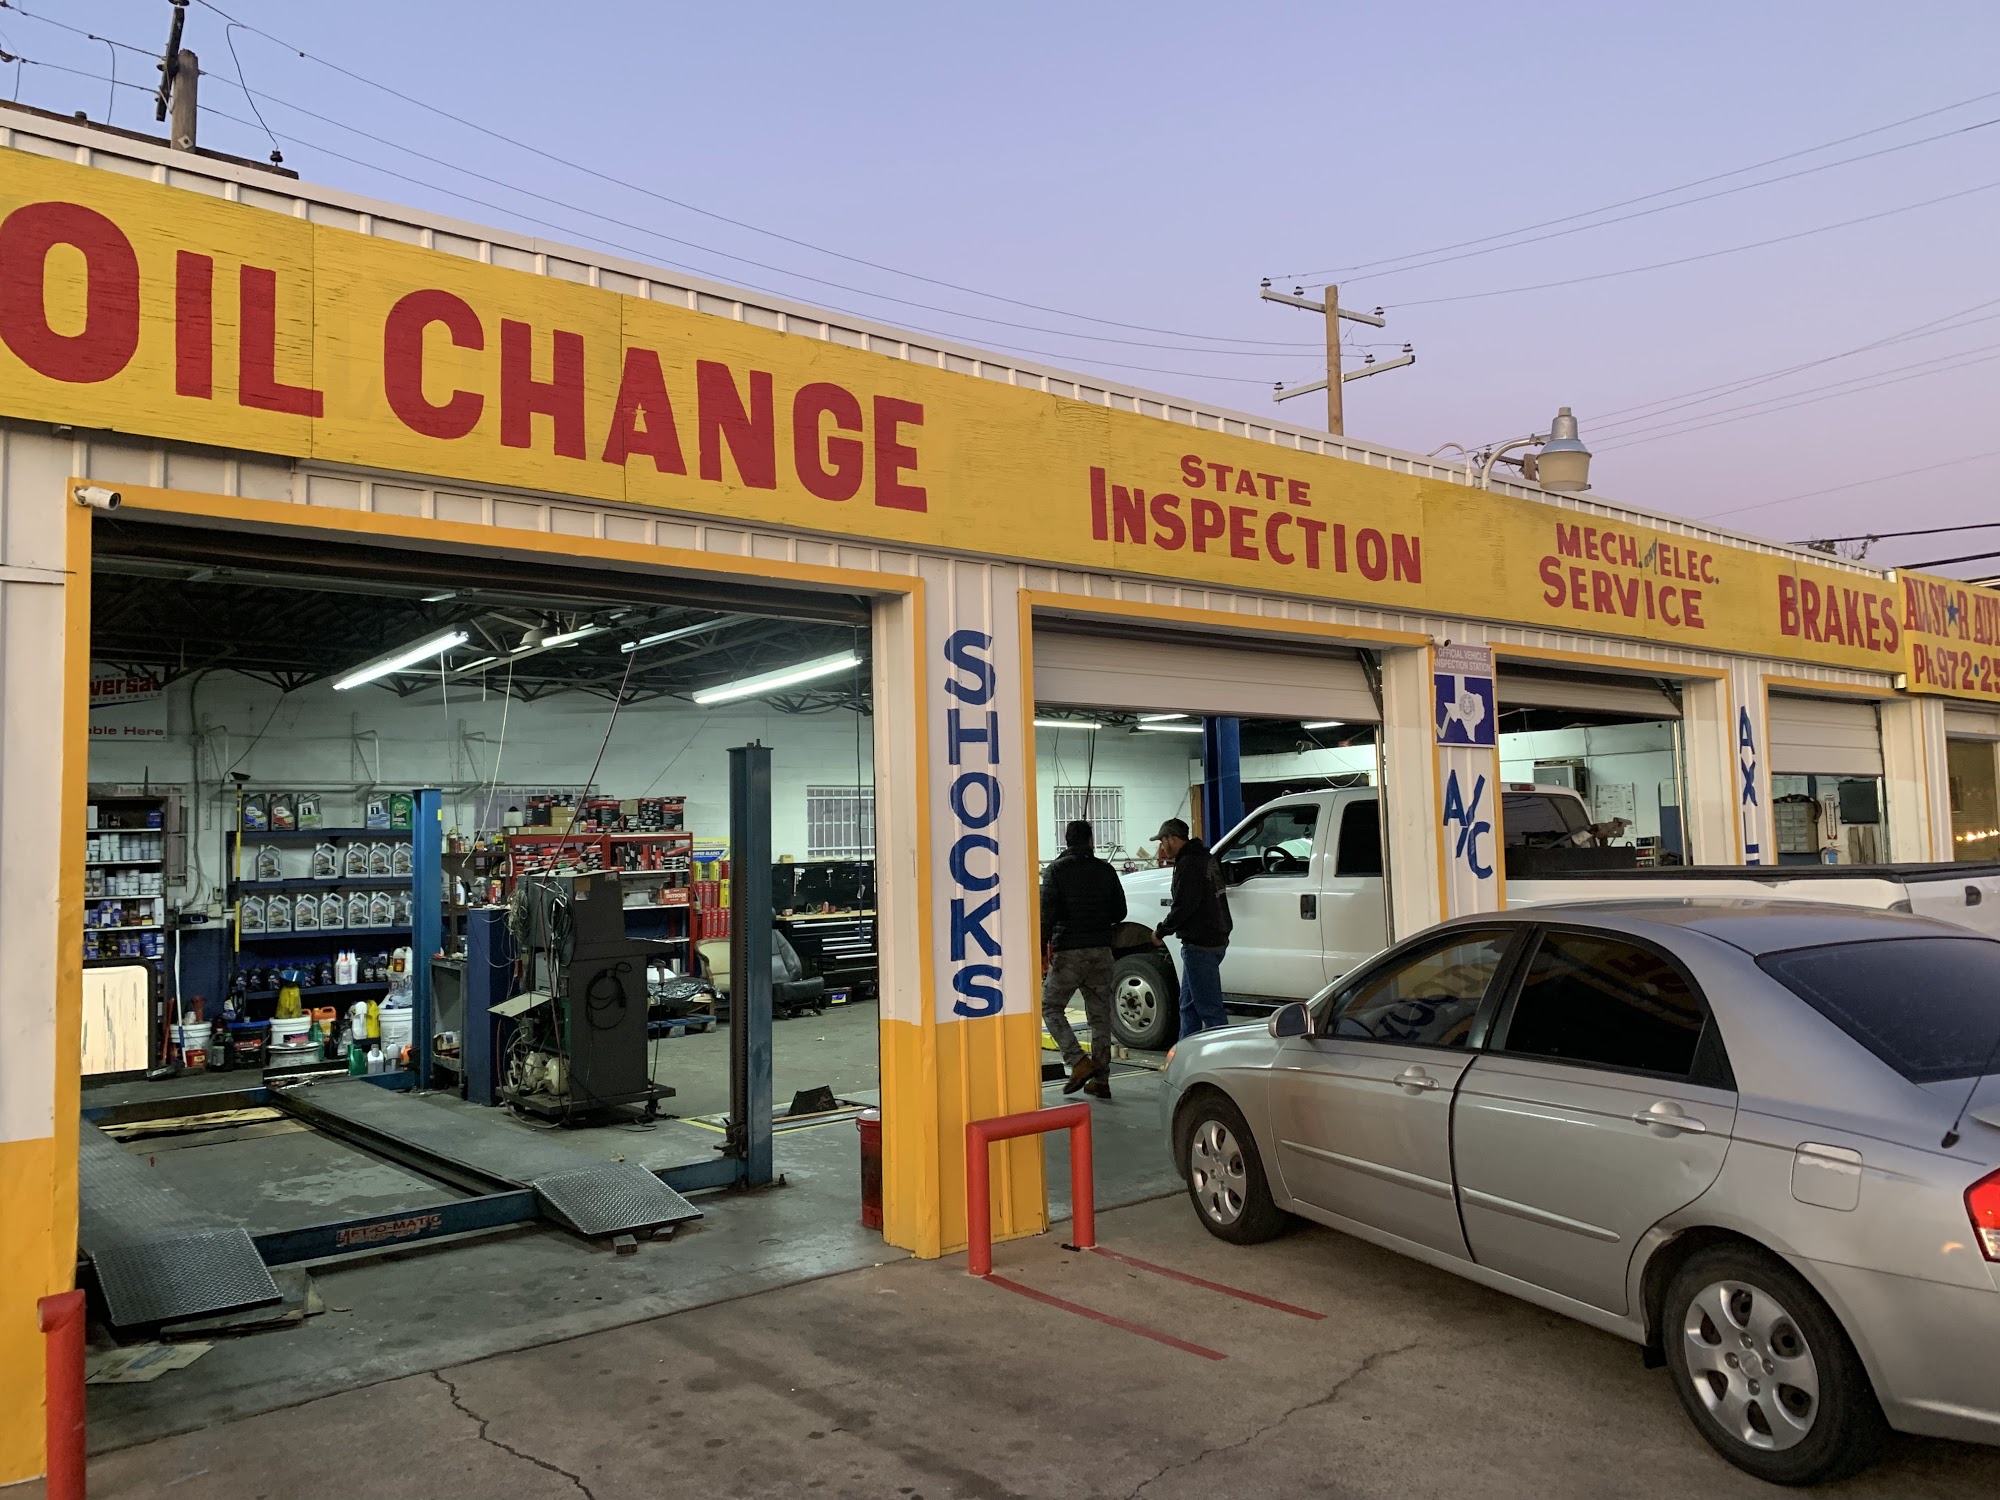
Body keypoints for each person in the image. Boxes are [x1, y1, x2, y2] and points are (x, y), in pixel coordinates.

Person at [1039, 819, 1128, 1099]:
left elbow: (1046, 915)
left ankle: (1077, 1060)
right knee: (1101, 1017)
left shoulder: (1056, 871)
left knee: (1051, 1007)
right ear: (1091, 841)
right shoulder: (1106, 870)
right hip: (1102, 951)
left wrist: (1041, 951)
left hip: (1069, 952)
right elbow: (1121, 912)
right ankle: (1101, 1080)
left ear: (1066, 841)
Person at [1152, 817, 1232, 1038]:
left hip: (1201, 944)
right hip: (1211, 939)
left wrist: (1161, 931)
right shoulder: (1204, 857)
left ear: (1172, 838)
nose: (1162, 847)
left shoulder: (1190, 863)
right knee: (1188, 1006)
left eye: (1162, 841)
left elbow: (1184, 905)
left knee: (1210, 1010)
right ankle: (1185, 1051)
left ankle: (1223, 1051)